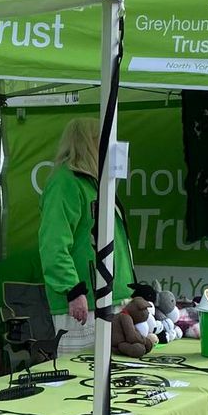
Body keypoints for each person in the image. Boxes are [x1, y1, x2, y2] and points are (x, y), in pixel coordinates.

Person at [37, 117, 134, 355]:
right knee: (82, 381)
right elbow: (53, 243)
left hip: (111, 299)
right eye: (101, 139)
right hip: (84, 305)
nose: (108, 145)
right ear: (87, 143)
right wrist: (73, 290)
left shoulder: (94, 183)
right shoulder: (65, 182)